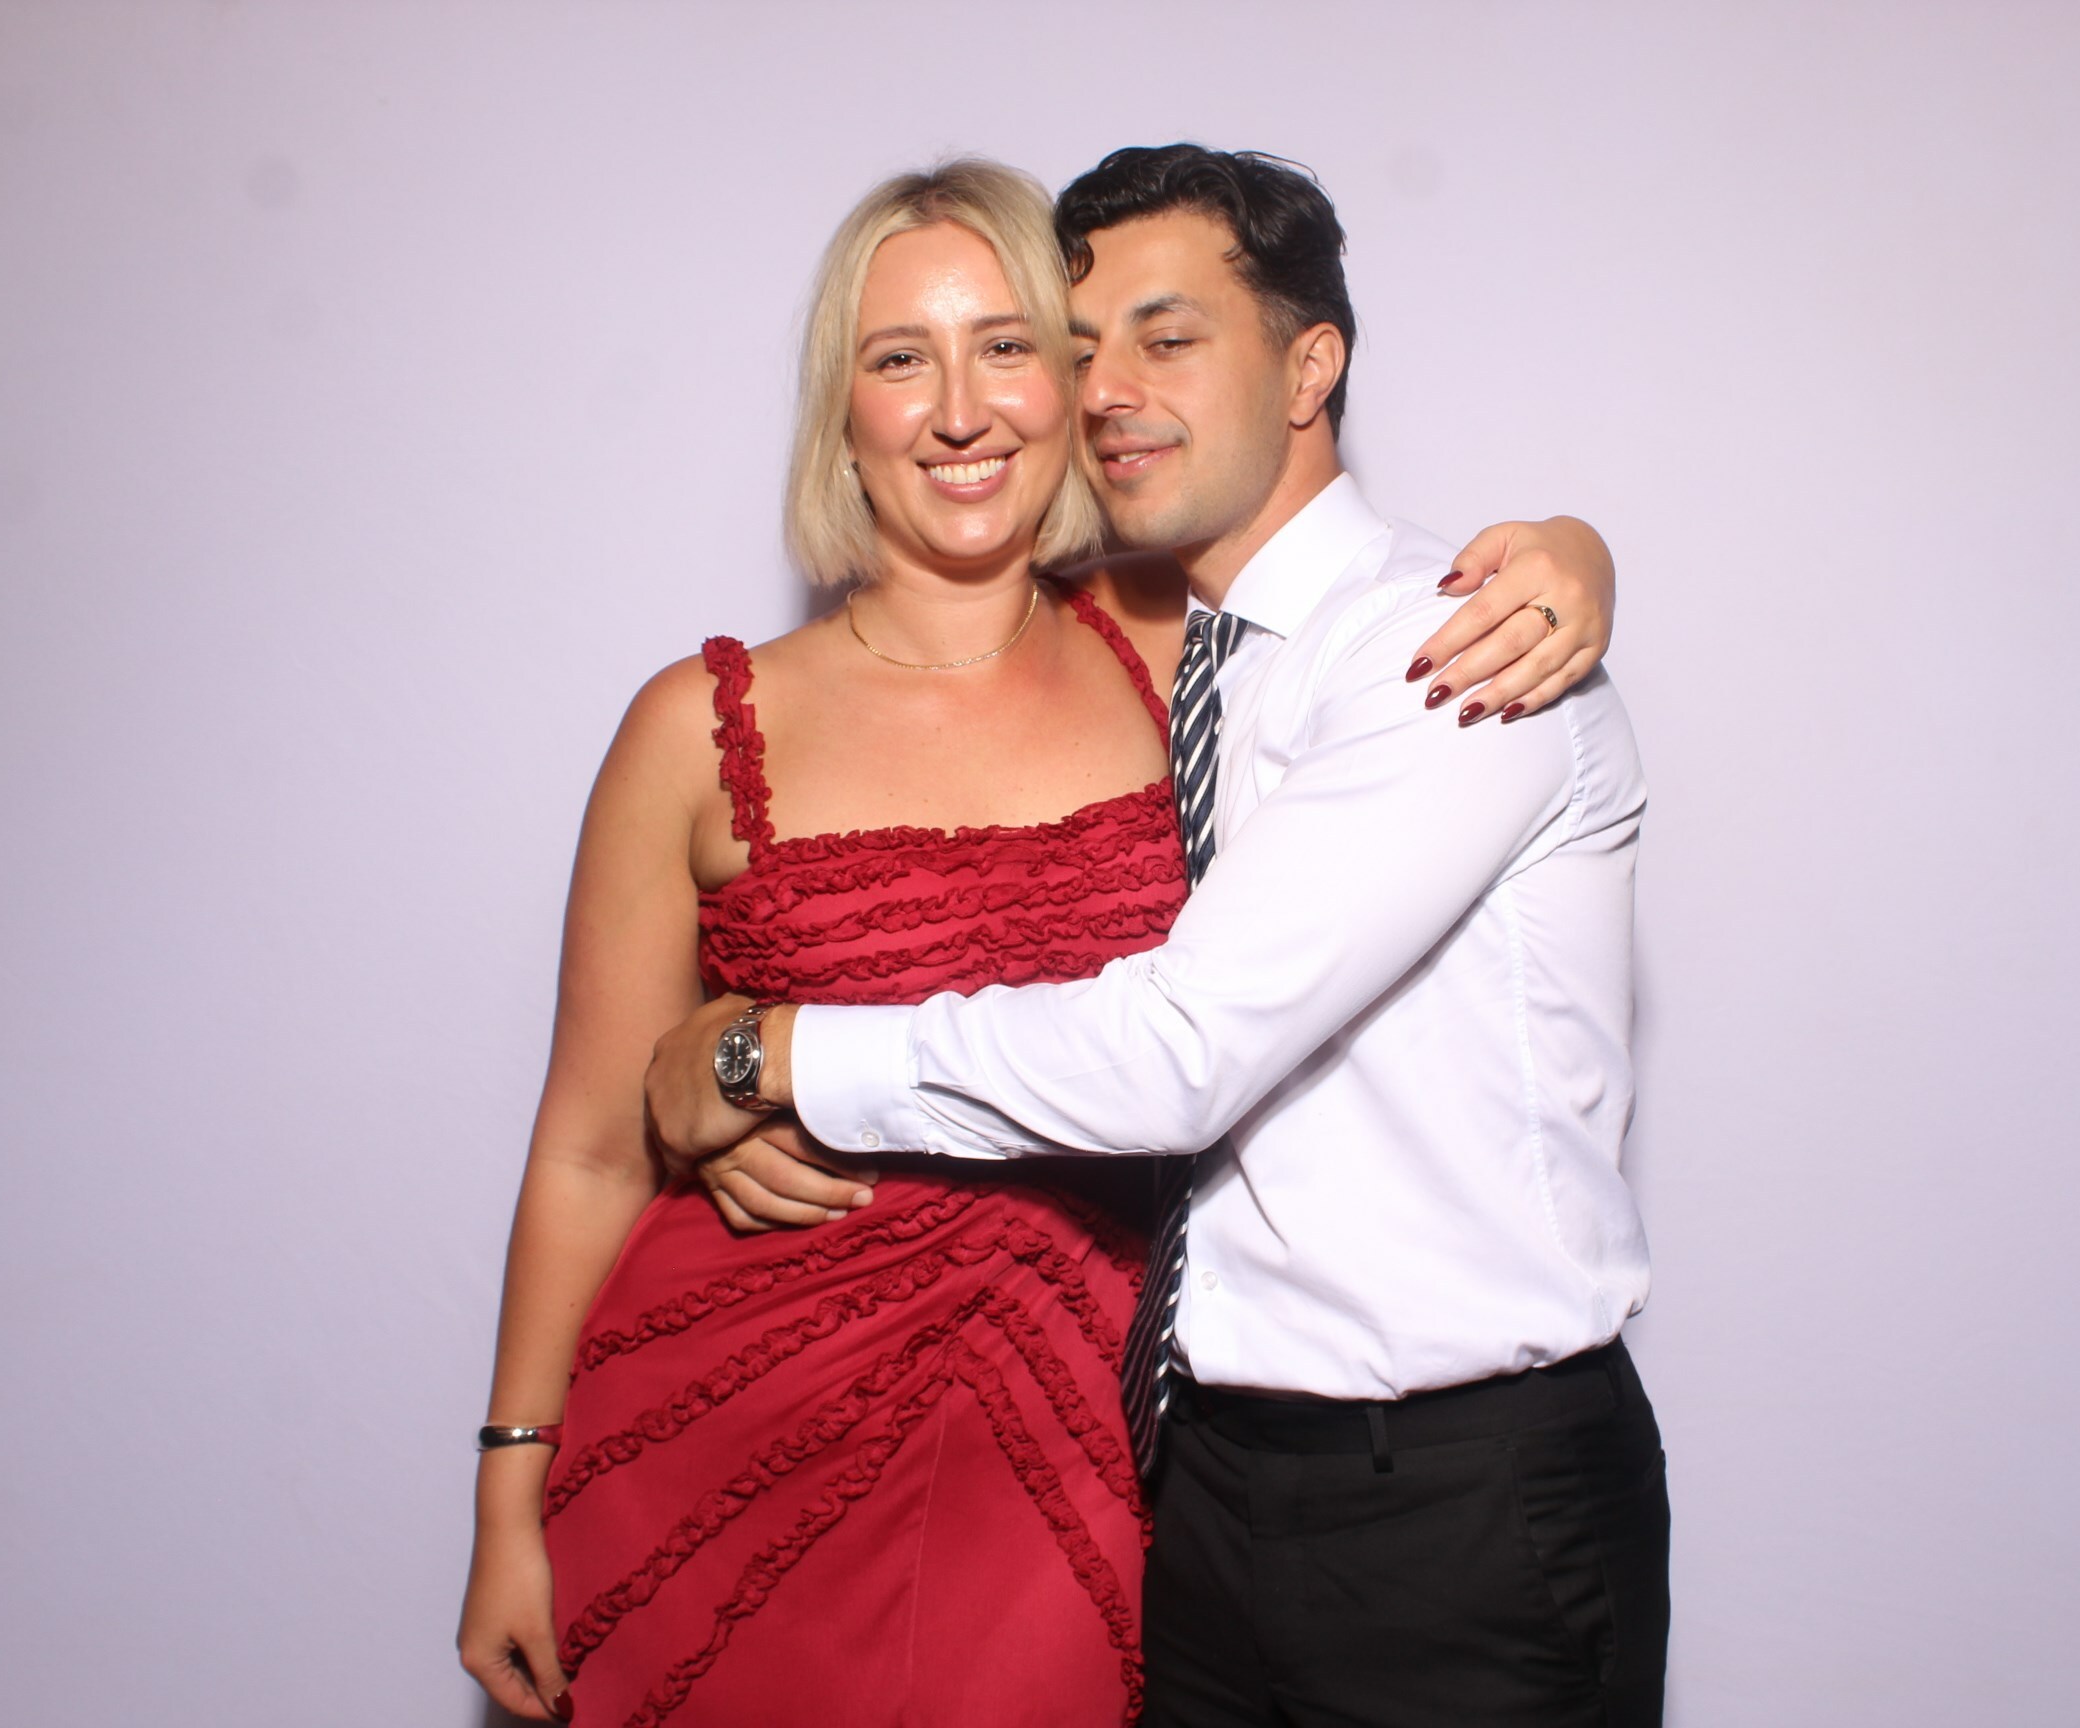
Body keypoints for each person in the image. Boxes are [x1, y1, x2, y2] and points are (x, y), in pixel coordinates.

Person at [456, 156, 1625, 1728]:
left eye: (1010, 347)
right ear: (841, 411)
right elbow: (592, 1152)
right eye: (899, 357)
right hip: (732, 1419)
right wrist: (508, 1494)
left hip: (1076, 1445)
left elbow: (1342, 583)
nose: (960, 410)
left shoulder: (1172, 645)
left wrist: (1568, 551)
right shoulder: (693, 722)